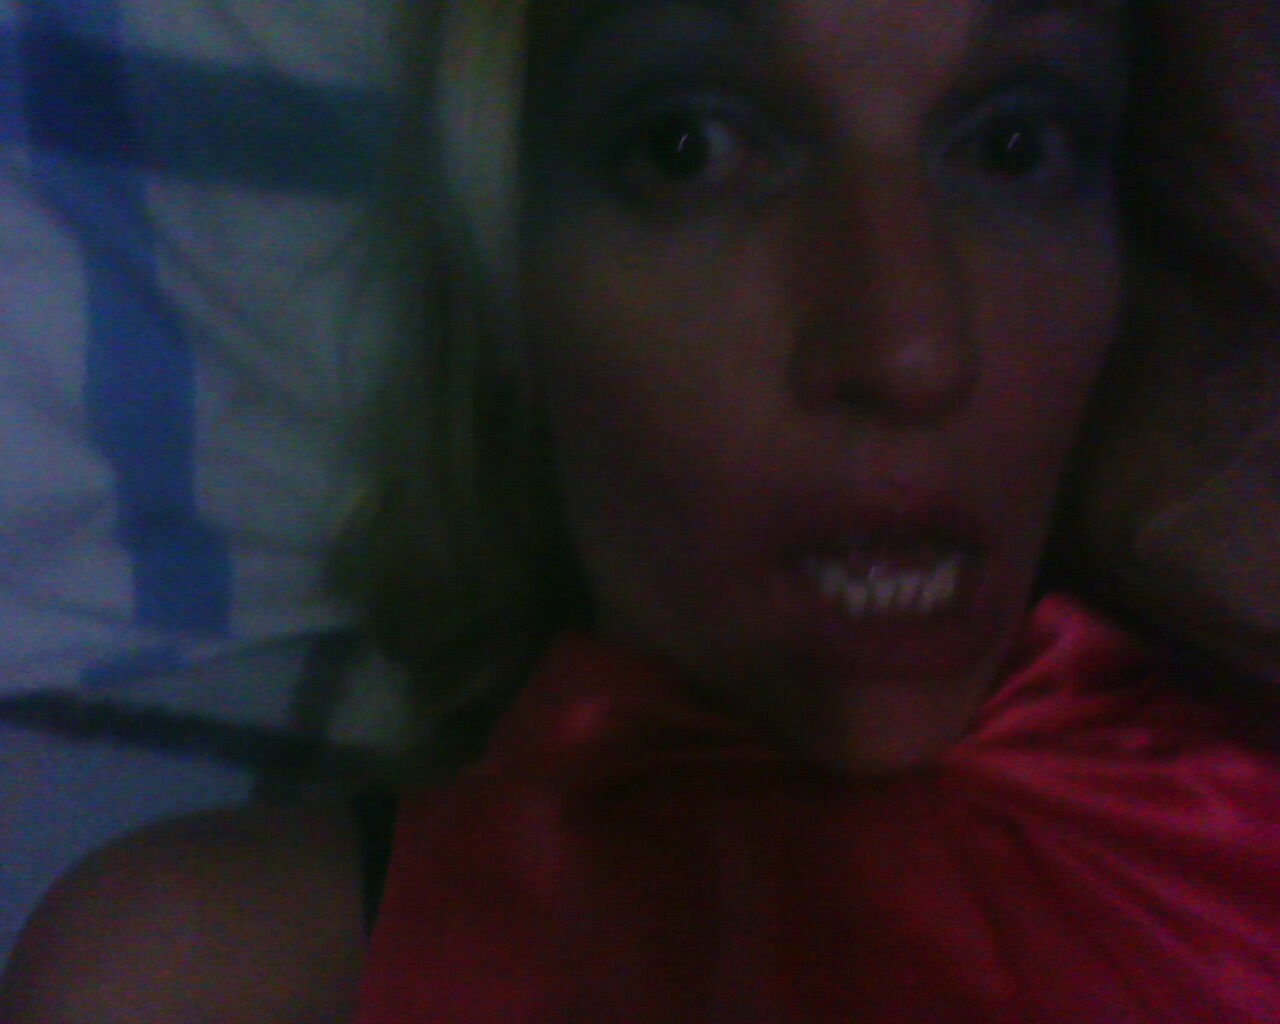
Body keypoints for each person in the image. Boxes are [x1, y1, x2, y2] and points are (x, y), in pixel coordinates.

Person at [3, 0, 1280, 1021]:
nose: (909, 348)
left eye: (1015, 146)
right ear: (508, 282)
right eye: (688, 147)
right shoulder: (213, 973)